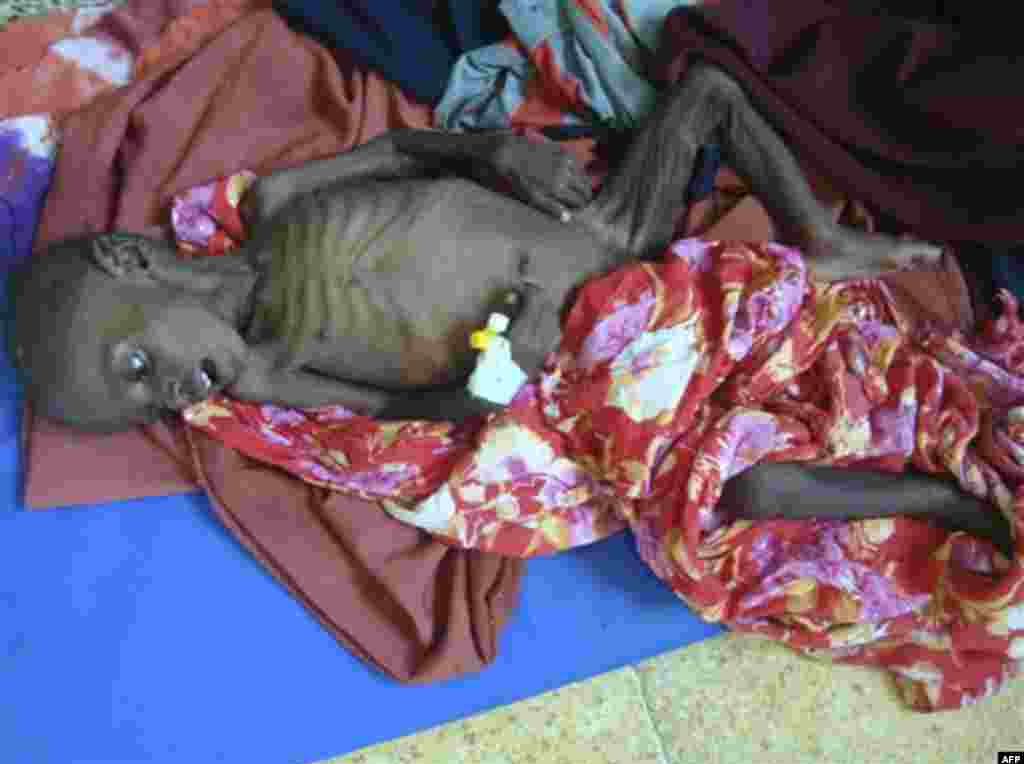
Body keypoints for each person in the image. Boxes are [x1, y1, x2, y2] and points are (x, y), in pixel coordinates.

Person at [9, 64, 1010, 553]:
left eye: (137, 365)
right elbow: (431, 417)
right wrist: (506, 366)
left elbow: (404, 153)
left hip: (610, 238)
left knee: (705, 90)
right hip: (591, 352)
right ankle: (947, 502)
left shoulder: (275, 203)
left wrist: (486, 150)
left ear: (134, 257)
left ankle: (816, 235)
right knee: (735, 494)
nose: (172, 393)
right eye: (146, 406)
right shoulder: (268, 369)